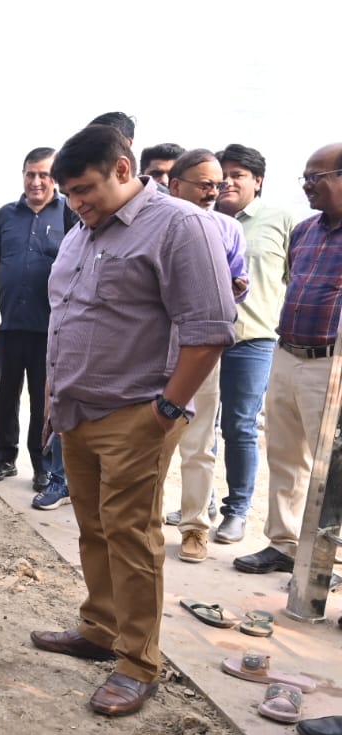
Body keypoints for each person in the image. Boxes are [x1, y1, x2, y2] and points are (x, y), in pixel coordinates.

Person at [30, 125, 235, 717]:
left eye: (84, 188)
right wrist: (52, 402)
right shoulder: (81, 232)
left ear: (123, 170)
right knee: (94, 528)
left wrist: (164, 411)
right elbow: (66, 319)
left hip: (137, 414)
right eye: (68, 193)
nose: (75, 203)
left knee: (132, 535)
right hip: (77, 411)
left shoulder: (179, 226)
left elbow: (209, 330)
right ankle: (99, 629)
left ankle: (137, 662)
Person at [233, 143, 342, 574]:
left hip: (331, 366)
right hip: (287, 353)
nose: (307, 185)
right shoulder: (305, 230)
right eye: (305, 177)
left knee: (333, 467)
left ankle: (325, 562)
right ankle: (284, 544)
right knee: (285, 454)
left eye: (316, 177)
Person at [165, 149, 248, 563]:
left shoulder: (228, 229)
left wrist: (235, 286)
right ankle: (140, 524)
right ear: (175, 185)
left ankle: (195, 527)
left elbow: (237, 285)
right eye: (204, 184)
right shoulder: (150, 225)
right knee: (146, 438)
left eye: (217, 185)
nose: (213, 192)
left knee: (199, 442)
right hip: (152, 349)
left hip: (201, 350)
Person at [212, 144, 297, 546]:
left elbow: (295, 279)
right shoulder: (203, 220)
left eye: (238, 174)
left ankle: (237, 511)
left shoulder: (280, 221)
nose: (228, 181)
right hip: (203, 340)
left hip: (253, 340)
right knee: (196, 425)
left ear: (257, 181)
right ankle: (201, 502)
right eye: (223, 173)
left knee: (240, 427)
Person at [0, 147, 75, 494]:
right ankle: (4, 457)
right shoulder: (6, 215)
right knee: (5, 395)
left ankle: (43, 466)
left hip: (48, 327)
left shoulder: (68, 215)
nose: (36, 182)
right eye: (30, 174)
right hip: (8, 323)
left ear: (55, 179)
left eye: (44, 175)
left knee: (42, 399)